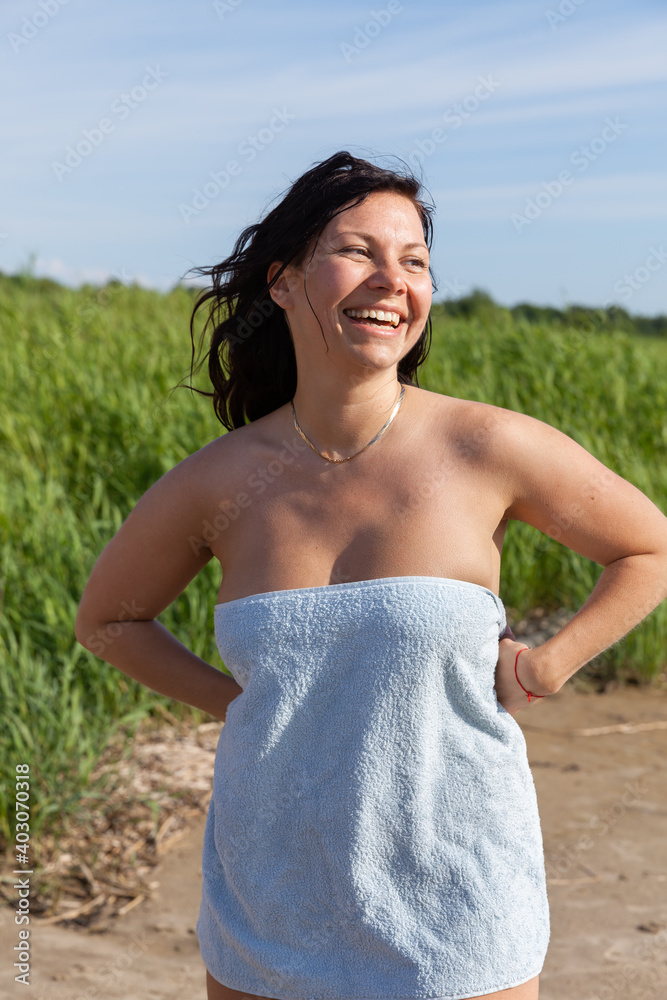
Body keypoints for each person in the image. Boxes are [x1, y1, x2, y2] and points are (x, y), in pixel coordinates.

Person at [74, 150, 667, 1000]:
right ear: (282, 282)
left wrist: (547, 664)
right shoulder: (220, 480)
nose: (392, 279)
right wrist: (243, 704)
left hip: (458, 901)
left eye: (415, 261)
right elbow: (109, 620)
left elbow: (645, 548)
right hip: (268, 903)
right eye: (359, 251)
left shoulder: (483, 446)